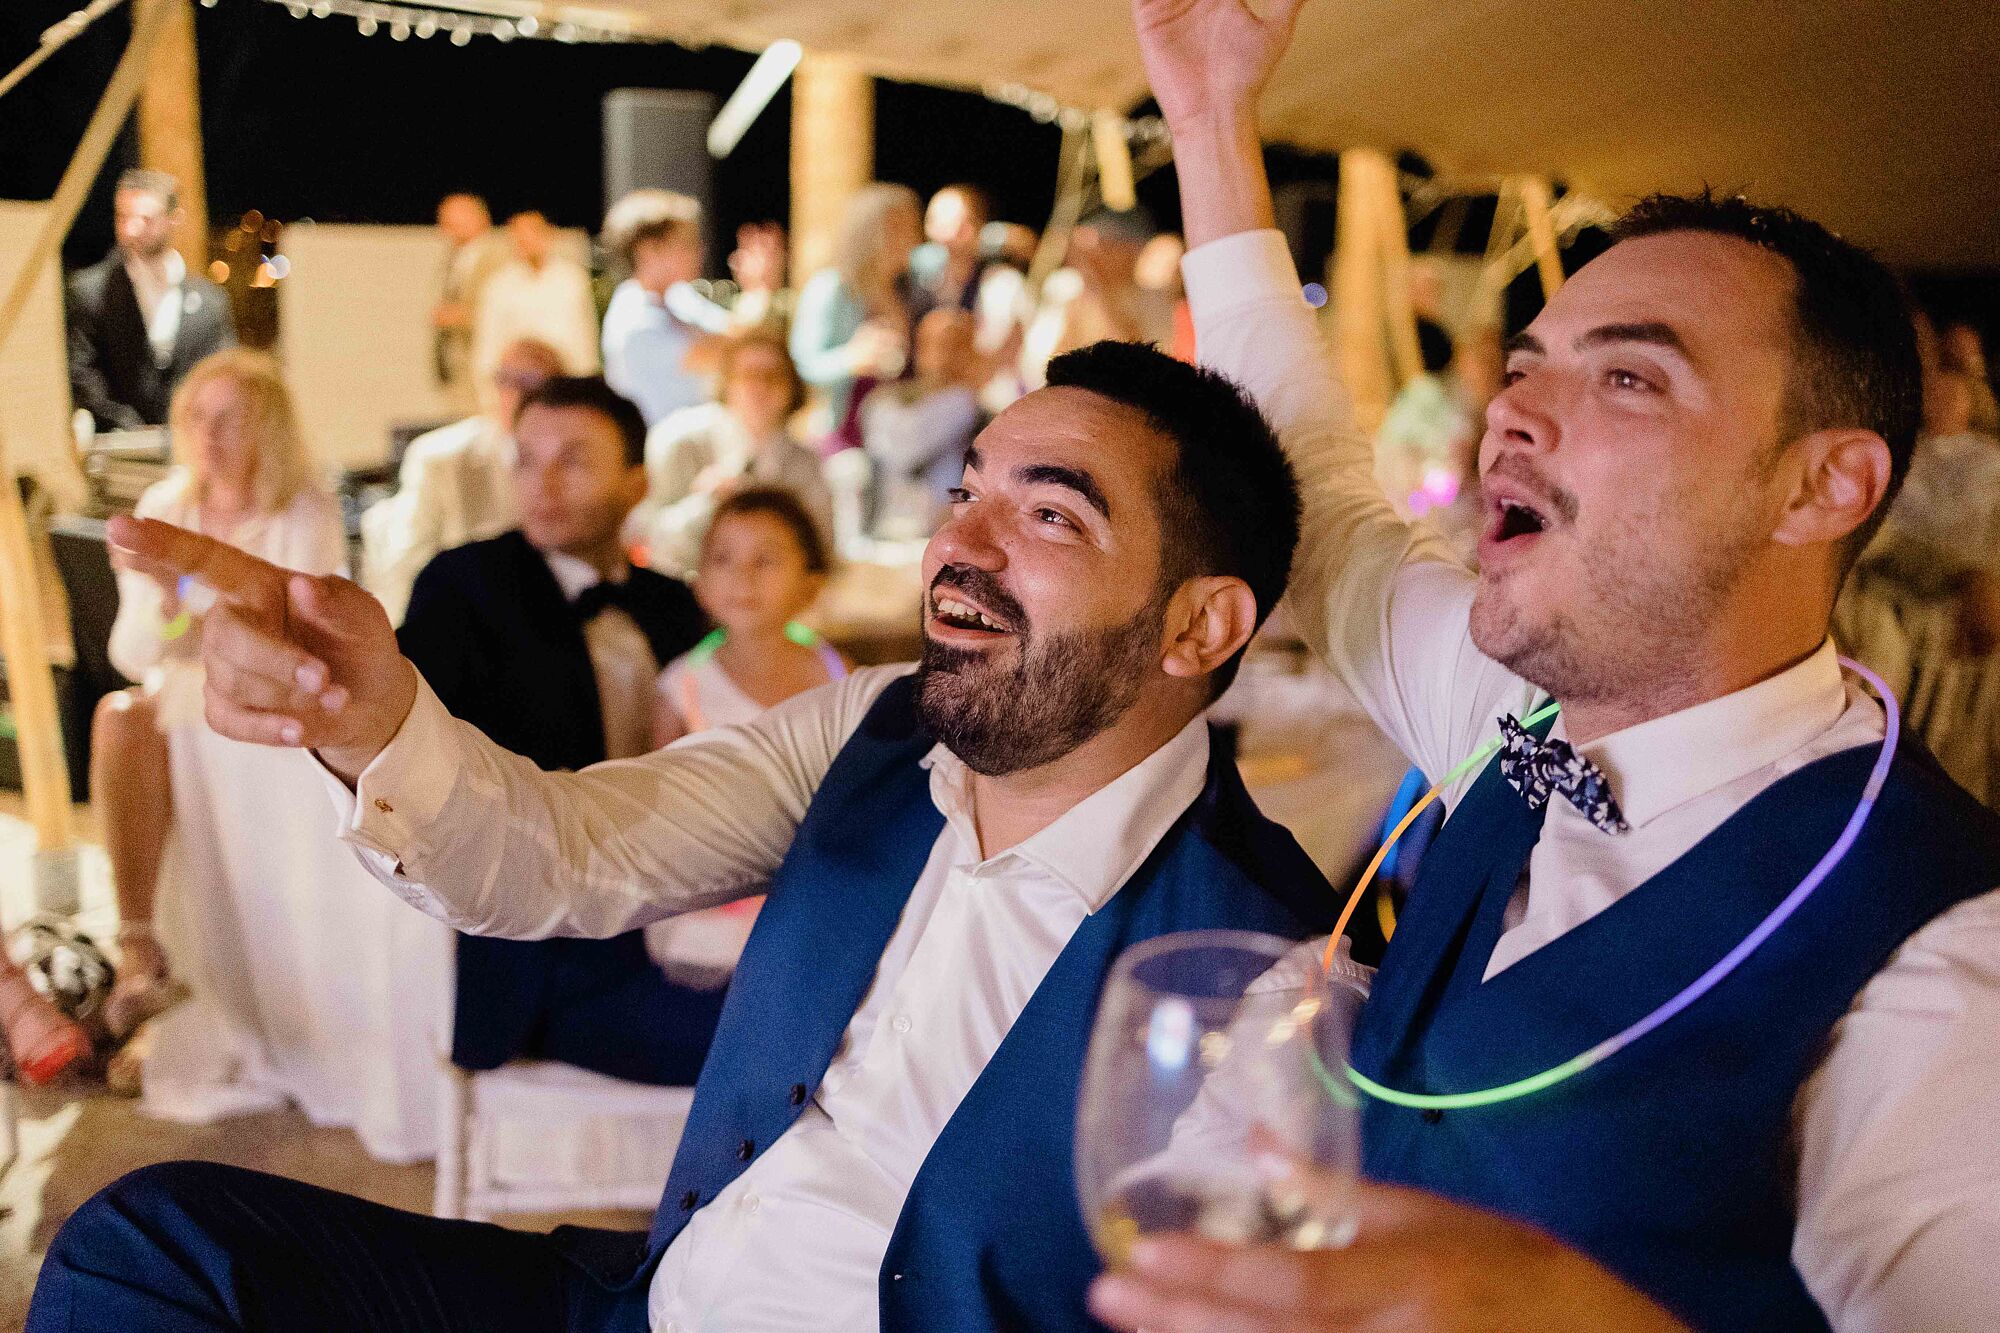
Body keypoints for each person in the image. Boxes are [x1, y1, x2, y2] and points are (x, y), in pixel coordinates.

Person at [39, 334, 1333, 1332]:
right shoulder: (869, 733)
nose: (959, 547)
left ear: (1200, 627)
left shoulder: (1256, 976)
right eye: (965, 491)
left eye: (1049, 515)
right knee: (148, 1247)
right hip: (642, 1297)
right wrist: (378, 722)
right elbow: (568, 850)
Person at [1088, 2, 2000, 1331]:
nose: (1513, 409)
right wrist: (1212, 116)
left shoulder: (1939, 951)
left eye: (1629, 380)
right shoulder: (1507, 725)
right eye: (1526, 367)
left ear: (1821, 485)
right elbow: (1324, 511)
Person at [395, 375, 724, 1084]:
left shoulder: (674, 605)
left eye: (573, 459)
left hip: (685, 903)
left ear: (637, 483)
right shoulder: (465, 586)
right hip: (551, 950)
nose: (542, 482)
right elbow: (404, 722)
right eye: (526, 459)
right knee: (764, 1036)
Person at [89, 348, 348, 1087]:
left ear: (267, 428)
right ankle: (139, 944)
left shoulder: (301, 508)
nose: (209, 434)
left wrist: (188, 598)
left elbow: (290, 642)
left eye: (229, 418)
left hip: (270, 697)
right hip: (182, 689)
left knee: (173, 717)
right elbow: (136, 646)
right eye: (197, 416)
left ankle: (225, 995)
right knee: (120, 716)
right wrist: (180, 614)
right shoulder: (166, 506)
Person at [646, 487, 847, 986]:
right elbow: (654, 800)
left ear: (811, 583)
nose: (742, 577)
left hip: (810, 896)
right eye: (723, 559)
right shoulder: (683, 685)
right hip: (713, 908)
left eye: (767, 561)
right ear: (699, 583)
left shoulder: (835, 674)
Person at [360, 337, 564, 625]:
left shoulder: (569, 462)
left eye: (532, 381)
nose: (517, 393)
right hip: (466, 624)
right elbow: (407, 564)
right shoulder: (442, 458)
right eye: (505, 379)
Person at [629, 330, 831, 577]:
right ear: (727, 381)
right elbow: (644, 538)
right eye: (748, 375)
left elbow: (821, 549)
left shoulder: (804, 463)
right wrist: (706, 503)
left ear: (792, 388)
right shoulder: (681, 441)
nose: (760, 387)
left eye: (773, 377)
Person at [67, 168, 236, 432]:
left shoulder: (210, 302)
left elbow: (221, 371)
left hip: (192, 444)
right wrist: (126, 427)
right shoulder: (90, 292)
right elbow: (81, 372)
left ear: (173, 219)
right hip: (117, 449)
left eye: (146, 219)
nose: (131, 229)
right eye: (123, 217)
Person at [788, 183, 926, 447]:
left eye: (913, 225)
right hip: (846, 434)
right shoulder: (833, 289)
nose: (913, 237)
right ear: (869, 231)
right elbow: (803, 363)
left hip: (901, 432)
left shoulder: (911, 289)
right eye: (899, 227)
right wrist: (851, 359)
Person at [598, 190, 732, 427]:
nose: (700, 251)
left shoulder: (679, 297)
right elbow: (730, 351)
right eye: (686, 244)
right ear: (649, 251)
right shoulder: (631, 316)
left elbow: (735, 335)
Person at [859, 307, 987, 539]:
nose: (942, 355)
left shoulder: (972, 406)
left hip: (942, 527)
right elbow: (889, 449)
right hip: (887, 521)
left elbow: (903, 450)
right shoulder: (894, 398)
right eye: (932, 344)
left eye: (954, 346)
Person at [1022, 207, 1178, 389]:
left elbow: (1138, 362)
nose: (1101, 255)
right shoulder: (1068, 288)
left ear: (1133, 249)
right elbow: (1044, 365)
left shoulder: (1154, 298)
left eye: (1111, 245)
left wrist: (1101, 292)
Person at [472, 211, 599, 382]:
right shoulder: (498, 285)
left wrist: (586, 381)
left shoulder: (571, 279)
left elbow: (584, 335)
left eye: (534, 232)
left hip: (565, 378)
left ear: (549, 234)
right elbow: (488, 343)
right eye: (519, 234)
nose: (527, 240)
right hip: (520, 381)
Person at [431, 192, 510, 412]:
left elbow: (506, 309)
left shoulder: (498, 257)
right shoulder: (453, 259)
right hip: (456, 364)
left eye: (458, 216)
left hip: (484, 361)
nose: (450, 224)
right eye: (445, 218)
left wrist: (464, 316)